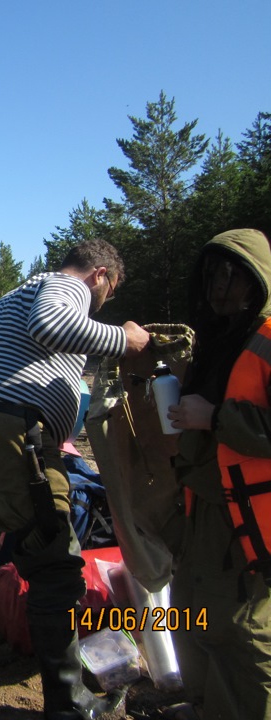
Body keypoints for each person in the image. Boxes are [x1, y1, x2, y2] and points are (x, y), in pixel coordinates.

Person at [0, 239, 149, 719]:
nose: (102, 302)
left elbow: (12, 350)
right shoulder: (64, 287)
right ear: (101, 275)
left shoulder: (14, 295)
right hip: (10, 435)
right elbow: (51, 325)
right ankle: (69, 704)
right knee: (54, 569)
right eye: (106, 293)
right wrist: (124, 338)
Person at [163, 228, 271, 720]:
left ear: (258, 282)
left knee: (238, 630)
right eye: (214, 274)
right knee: (187, 611)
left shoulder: (267, 338)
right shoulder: (216, 341)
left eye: (234, 275)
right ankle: (205, 705)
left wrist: (215, 418)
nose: (221, 286)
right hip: (203, 503)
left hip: (251, 518)